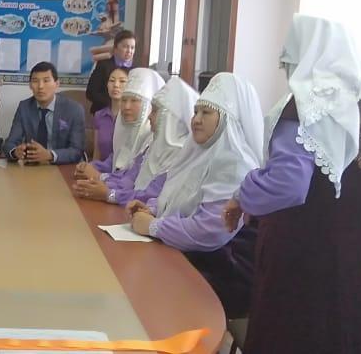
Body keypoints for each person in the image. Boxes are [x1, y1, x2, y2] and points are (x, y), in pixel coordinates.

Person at [225, 14, 361, 353]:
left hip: (305, 264)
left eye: (289, 63)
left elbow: (287, 183)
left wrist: (244, 193)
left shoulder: (305, 109)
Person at [128, 72, 263, 319]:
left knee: (138, 286)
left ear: (227, 118)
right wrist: (153, 209)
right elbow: (180, 195)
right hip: (192, 259)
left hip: (222, 273)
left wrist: (154, 226)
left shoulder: (235, 164)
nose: (196, 120)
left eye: (206, 113)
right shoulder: (200, 153)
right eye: (195, 112)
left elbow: (210, 231)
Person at [72, 68, 164, 204]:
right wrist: (90, 167)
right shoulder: (127, 127)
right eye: (124, 100)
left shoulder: (150, 137)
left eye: (134, 101)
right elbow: (116, 159)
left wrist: (102, 179)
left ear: (149, 105)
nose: (126, 106)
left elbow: (132, 180)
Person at [3, 62, 86, 165]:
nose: (40, 86)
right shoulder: (24, 107)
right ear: (30, 85)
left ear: (57, 84)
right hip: (34, 167)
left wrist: (50, 155)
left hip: (64, 166)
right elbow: (10, 143)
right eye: (35, 81)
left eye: (46, 81)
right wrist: (15, 152)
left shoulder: (74, 109)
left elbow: (77, 151)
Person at [86, 30, 135, 115]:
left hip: (126, 113)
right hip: (102, 111)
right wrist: (114, 103)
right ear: (115, 48)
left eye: (132, 47)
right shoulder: (103, 65)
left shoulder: (135, 70)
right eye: (125, 47)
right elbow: (91, 93)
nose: (129, 51)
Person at [92, 67, 130, 161]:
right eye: (112, 80)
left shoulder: (131, 116)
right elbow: (97, 154)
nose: (116, 85)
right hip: (100, 168)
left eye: (122, 81)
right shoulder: (99, 115)